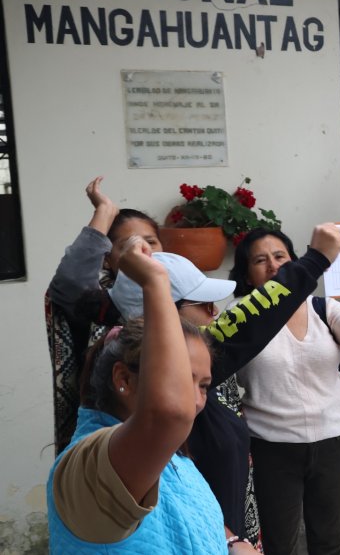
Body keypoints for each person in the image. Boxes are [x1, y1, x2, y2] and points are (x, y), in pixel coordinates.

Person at [105, 225, 340, 545]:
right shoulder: (160, 379)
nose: (217, 314)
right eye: (203, 305)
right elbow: (249, 322)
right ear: (161, 315)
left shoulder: (172, 367)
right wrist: (315, 260)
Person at [47, 236, 250, 553]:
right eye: (182, 380)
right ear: (124, 379)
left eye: (203, 385)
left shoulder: (170, 455)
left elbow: (189, 514)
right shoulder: (90, 464)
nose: (194, 401)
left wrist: (231, 541)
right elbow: (169, 414)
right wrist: (155, 281)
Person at [232, 228, 340, 555]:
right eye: (260, 260)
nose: (272, 266)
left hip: (335, 439)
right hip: (272, 445)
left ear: (295, 262)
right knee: (280, 542)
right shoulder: (238, 318)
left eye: (280, 256)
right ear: (247, 274)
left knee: (330, 538)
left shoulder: (323, 308)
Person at [45, 177, 162, 454]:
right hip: (114, 447)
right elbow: (69, 283)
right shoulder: (104, 307)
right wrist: (104, 212)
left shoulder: (186, 297)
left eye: (151, 241)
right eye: (127, 245)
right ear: (107, 260)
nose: (142, 250)